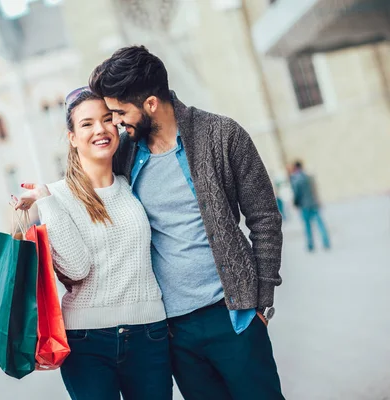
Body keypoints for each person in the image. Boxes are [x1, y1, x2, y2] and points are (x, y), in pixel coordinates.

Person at [86, 45, 284, 399]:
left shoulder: (223, 135)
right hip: (176, 333)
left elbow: (265, 218)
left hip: (235, 317)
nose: (115, 122)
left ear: (150, 104)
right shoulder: (125, 156)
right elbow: (87, 179)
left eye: (119, 112)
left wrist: (261, 303)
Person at [13, 89, 172, 400]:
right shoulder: (55, 197)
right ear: (72, 137)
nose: (100, 129)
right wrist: (47, 202)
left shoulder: (133, 184)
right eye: (87, 124)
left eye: (107, 119)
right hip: (86, 341)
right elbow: (76, 268)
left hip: (149, 333)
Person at [291, 160, 330, 251]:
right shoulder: (309, 177)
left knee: (307, 226)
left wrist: (295, 203)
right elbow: (315, 190)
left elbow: (296, 193)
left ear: (296, 168)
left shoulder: (296, 179)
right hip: (314, 203)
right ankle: (326, 242)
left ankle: (310, 245)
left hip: (304, 205)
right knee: (320, 224)